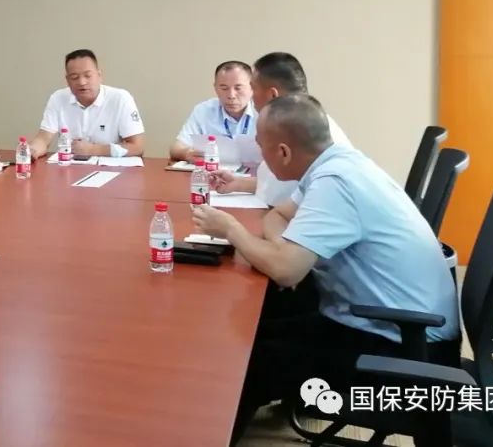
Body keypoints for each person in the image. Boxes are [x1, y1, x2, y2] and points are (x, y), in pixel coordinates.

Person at [192, 94, 459, 444]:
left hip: (405, 351)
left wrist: (232, 230)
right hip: (389, 325)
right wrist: (283, 249)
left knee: (250, 360)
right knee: (253, 328)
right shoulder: (336, 164)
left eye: (260, 145)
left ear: (283, 152)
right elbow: (278, 216)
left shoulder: (336, 183)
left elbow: (287, 271)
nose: (258, 153)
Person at [211, 52, 349, 206]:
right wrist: (238, 183)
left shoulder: (292, 130)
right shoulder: (310, 119)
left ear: (272, 95)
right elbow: (284, 188)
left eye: (253, 89)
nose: (251, 98)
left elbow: (278, 200)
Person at [28, 49, 145, 159]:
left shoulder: (120, 99)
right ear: (67, 80)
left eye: (88, 76)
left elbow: (137, 147)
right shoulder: (58, 98)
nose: (82, 82)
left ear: (99, 76)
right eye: (74, 77)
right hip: (69, 169)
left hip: (110, 169)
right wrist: (31, 151)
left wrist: (94, 150)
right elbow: (43, 139)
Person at [169, 60, 256, 162]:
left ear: (252, 87)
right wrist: (187, 154)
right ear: (215, 88)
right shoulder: (204, 110)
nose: (231, 95)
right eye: (224, 88)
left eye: (238, 88)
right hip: (213, 169)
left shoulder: (264, 111)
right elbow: (176, 148)